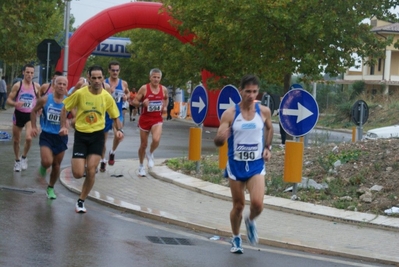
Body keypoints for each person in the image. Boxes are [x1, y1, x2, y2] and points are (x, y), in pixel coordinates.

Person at [213, 74, 273, 254]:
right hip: (236, 164)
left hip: (256, 163)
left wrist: (268, 147)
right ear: (241, 91)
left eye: (254, 92)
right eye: (248, 91)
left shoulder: (263, 111)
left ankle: (250, 221)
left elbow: (270, 128)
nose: (251, 95)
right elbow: (217, 141)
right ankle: (236, 237)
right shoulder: (230, 114)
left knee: (257, 204)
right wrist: (220, 138)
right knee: (238, 206)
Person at [59, 65, 124, 213]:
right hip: (81, 136)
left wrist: (119, 130)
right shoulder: (81, 93)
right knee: (77, 173)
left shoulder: (106, 96)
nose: (96, 80)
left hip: (97, 136)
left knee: (92, 170)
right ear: (88, 78)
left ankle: (81, 201)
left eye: (99, 78)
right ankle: (79, 165)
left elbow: (115, 116)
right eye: (93, 78)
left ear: (103, 78)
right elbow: (65, 107)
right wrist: (64, 126)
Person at [31, 76, 68, 199]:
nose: (61, 86)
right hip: (47, 135)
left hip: (61, 137)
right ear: (54, 85)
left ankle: (50, 188)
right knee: (47, 161)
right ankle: (43, 167)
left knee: (56, 164)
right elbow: (33, 111)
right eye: (59, 84)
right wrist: (33, 126)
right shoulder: (45, 99)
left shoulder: (69, 101)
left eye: (64, 84)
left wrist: (67, 125)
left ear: (66, 87)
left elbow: (76, 117)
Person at [133, 68, 168, 177]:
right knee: (143, 145)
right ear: (150, 78)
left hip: (157, 119)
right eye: (154, 77)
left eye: (158, 77)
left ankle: (150, 153)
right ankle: (141, 166)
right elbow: (134, 102)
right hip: (145, 119)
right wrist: (143, 104)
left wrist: (165, 107)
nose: (156, 79)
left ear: (160, 78)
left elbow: (166, 98)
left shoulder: (163, 89)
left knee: (156, 139)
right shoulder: (144, 88)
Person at [7, 64, 41, 172]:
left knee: (29, 138)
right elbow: (9, 100)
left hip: (30, 116)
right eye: (27, 72)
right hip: (18, 114)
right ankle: (17, 161)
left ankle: (24, 157)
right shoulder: (18, 85)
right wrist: (15, 103)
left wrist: (40, 109)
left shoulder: (36, 86)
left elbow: (40, 100)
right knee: (16, 140)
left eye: (31, 72)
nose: (30, 75)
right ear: (23, 72)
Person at [99, 61, 129, 172]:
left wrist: (126, 96)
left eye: (117, 70)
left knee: (119, 135)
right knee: (103, 140)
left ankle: (112, 152)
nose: (115, 72)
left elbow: (128, 93)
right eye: (113, 70)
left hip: (117, 114)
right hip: (105, 114)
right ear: (109, 71)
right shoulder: (104, 83)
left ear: (119, 71)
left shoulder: (123, 83)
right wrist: (108, 93)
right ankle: (103, 160)